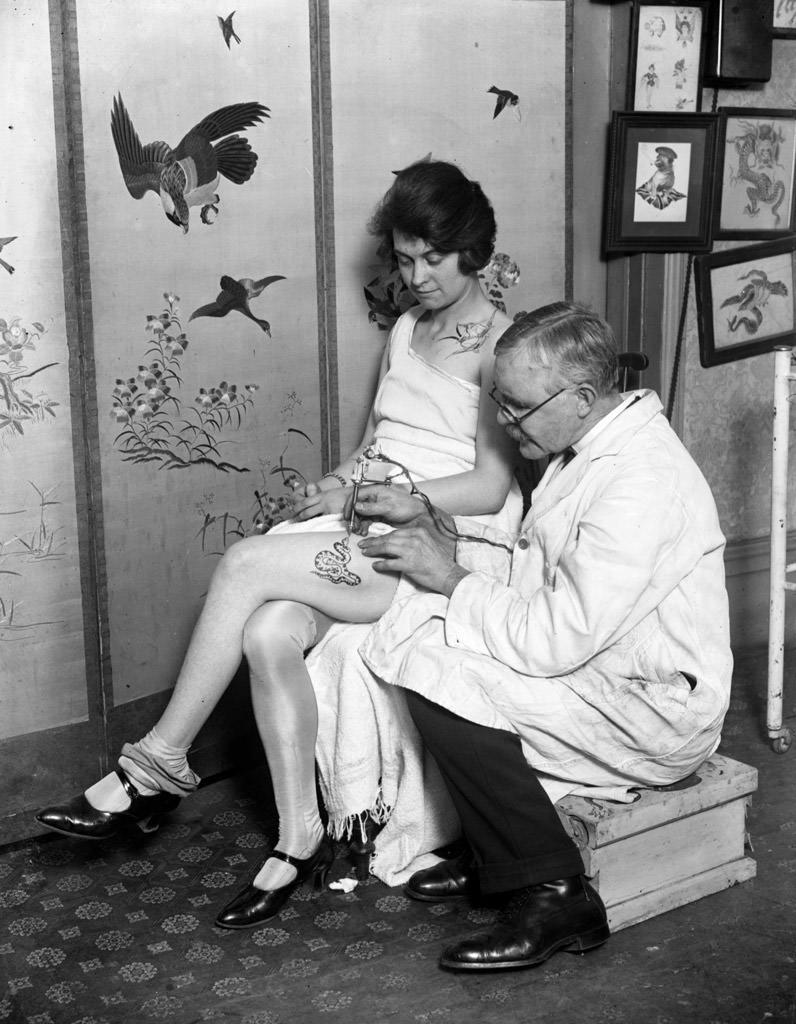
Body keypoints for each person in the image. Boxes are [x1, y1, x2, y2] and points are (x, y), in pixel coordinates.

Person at [35, 159, 523, 929]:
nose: (417, 275)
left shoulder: (501, 343)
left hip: (436, 539)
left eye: (433, 257)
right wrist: (338, 485)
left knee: (244, 561)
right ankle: (297, 842)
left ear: (474, 251)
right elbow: (375, 442)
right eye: (403, 258)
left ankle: (155, 765)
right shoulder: (403, 327)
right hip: (368, 516)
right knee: (267, 632)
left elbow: (493, 486)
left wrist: (395, 498)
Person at [346, 301, 732, 971]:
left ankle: (555, 894)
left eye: (517, 407)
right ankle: (498, 855)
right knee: (425, 638)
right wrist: (451, 546)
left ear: (581, 397)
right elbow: (540, 582)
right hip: (600, 668)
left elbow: (552, 638)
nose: (502, 420)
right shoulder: (588, 443)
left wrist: (451, 579)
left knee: (439, 668)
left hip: (656, 709)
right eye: (500, 400)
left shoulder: (642, 478)